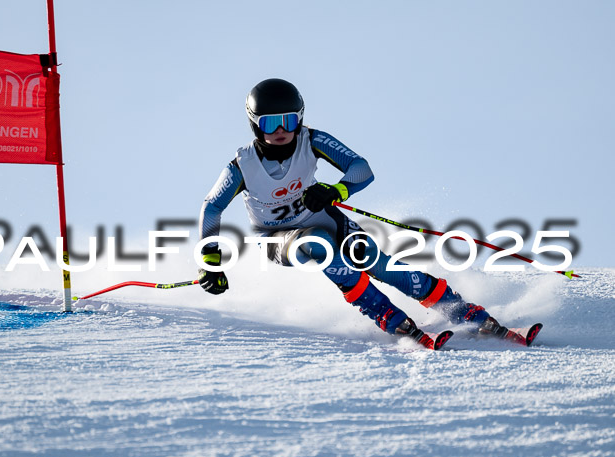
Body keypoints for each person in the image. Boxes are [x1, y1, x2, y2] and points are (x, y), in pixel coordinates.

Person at [196, 78, 510, 348]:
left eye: (289, 121)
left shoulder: (313, 140)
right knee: (319, 244)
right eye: (269, 123)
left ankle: (464, 312)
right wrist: (209, 263)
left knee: (374, 259)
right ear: (254, 123)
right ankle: (386, 315)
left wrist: (336, 190)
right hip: (277, 238)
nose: (281, 130)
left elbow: (361, 168)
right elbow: (212, 208)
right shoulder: (242, 166)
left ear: (300, 119)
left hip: (320, 217)